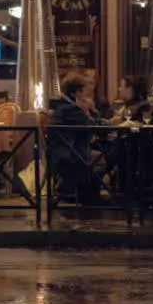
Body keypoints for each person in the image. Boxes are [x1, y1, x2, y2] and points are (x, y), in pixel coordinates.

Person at [48, 73, 100, 205]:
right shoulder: (70, 109)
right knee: (107, 156)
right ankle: (86, 195)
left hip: (61, 151)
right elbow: (91, 127)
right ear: (78, 92)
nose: (87, 96)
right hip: (70, 155)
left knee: (101, 153)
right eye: (85, 92)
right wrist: (93, 112)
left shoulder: (61, 105)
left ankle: (75, 191)